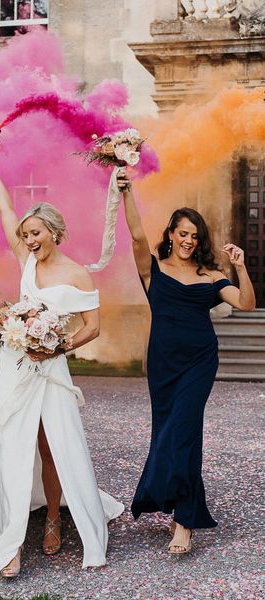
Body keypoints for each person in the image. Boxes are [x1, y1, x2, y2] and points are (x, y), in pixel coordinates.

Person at [0, 141, 124, 577]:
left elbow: (92, 327)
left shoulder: (77, 273)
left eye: (35, 233)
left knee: (53, 445)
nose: (28, 240)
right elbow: (5, 209)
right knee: (12, 441)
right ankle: (11, 537)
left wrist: (56, 346)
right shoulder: (26, 261)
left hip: (52, 366)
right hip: (16, 365)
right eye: (25, 235)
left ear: (54, 233)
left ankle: (57, 516)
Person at [118, 168, 256, 554]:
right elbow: (135, 234)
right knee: (169, 433)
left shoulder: (212, 275)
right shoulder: (154, 270)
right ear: (171, 234)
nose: (188, 241)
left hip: (199, 361)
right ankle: (179, 507)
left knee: (184, 431)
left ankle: (184, 521)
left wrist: (240, 267)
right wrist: (126, 191)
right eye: (182, 233)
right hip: (163, 363)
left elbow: (246, 303)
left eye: (195, 236)